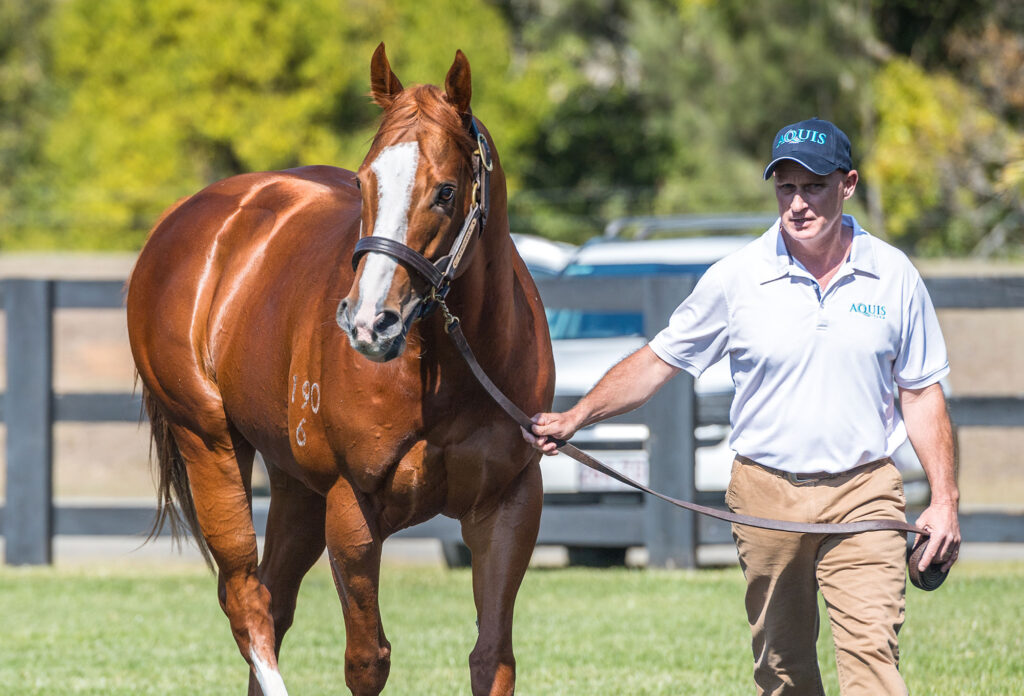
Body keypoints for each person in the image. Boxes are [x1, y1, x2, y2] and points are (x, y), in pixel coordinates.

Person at [523, 117, 961, 695]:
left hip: (865, 491)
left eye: (814, 186)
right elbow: (659, 360)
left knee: (873, 660)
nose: (798, 203)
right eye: (786, 187)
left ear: (848, 184)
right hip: (765, 491)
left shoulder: (893, 275)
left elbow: (922, 392)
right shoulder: (737, 277)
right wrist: (577, 417)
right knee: (782, 672)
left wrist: (946, 501)